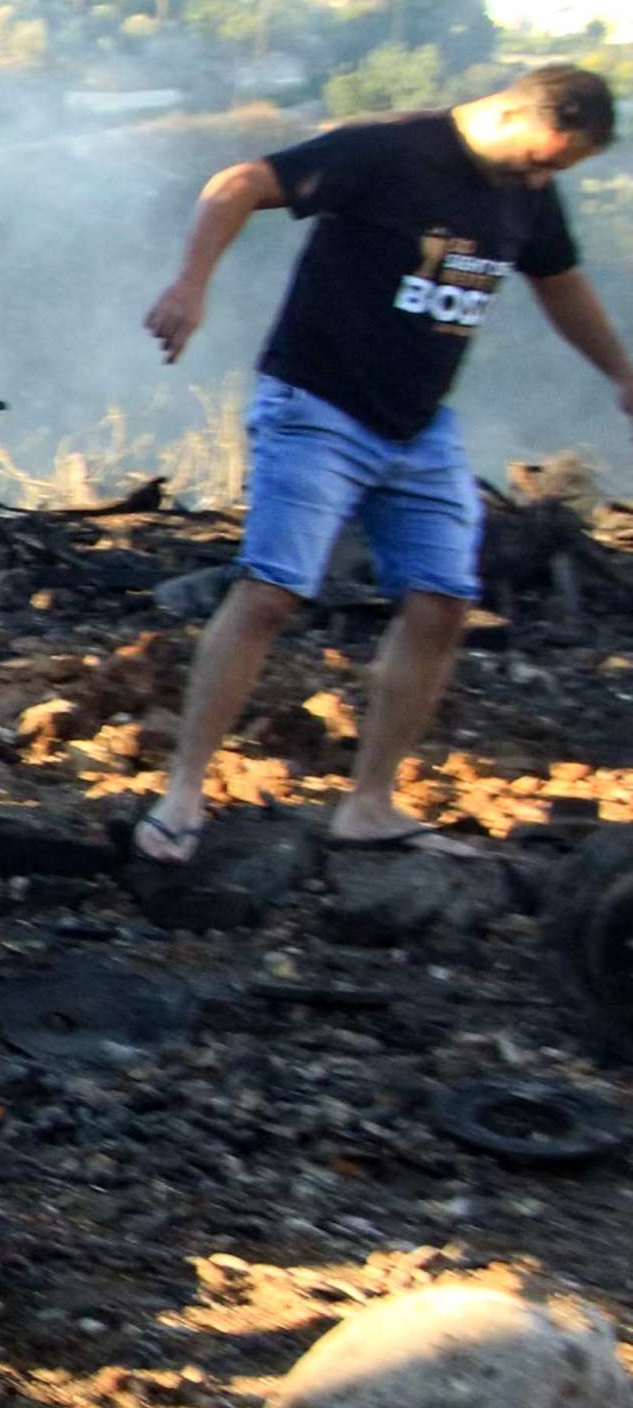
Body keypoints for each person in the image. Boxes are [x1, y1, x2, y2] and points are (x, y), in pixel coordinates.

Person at [131, 64, 628, 864]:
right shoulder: (389, 150)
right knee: (269, 593)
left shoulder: (526, 195)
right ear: (512, 113)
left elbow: (560, 284)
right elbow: (237, 183)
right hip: (315, 404)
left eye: (558, 171)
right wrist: (191, 285)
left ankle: (367, 805)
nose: (542, 181)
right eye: (542, 160)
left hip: (419, 428)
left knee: (441, 603)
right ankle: (181, 793)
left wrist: (620, 371)